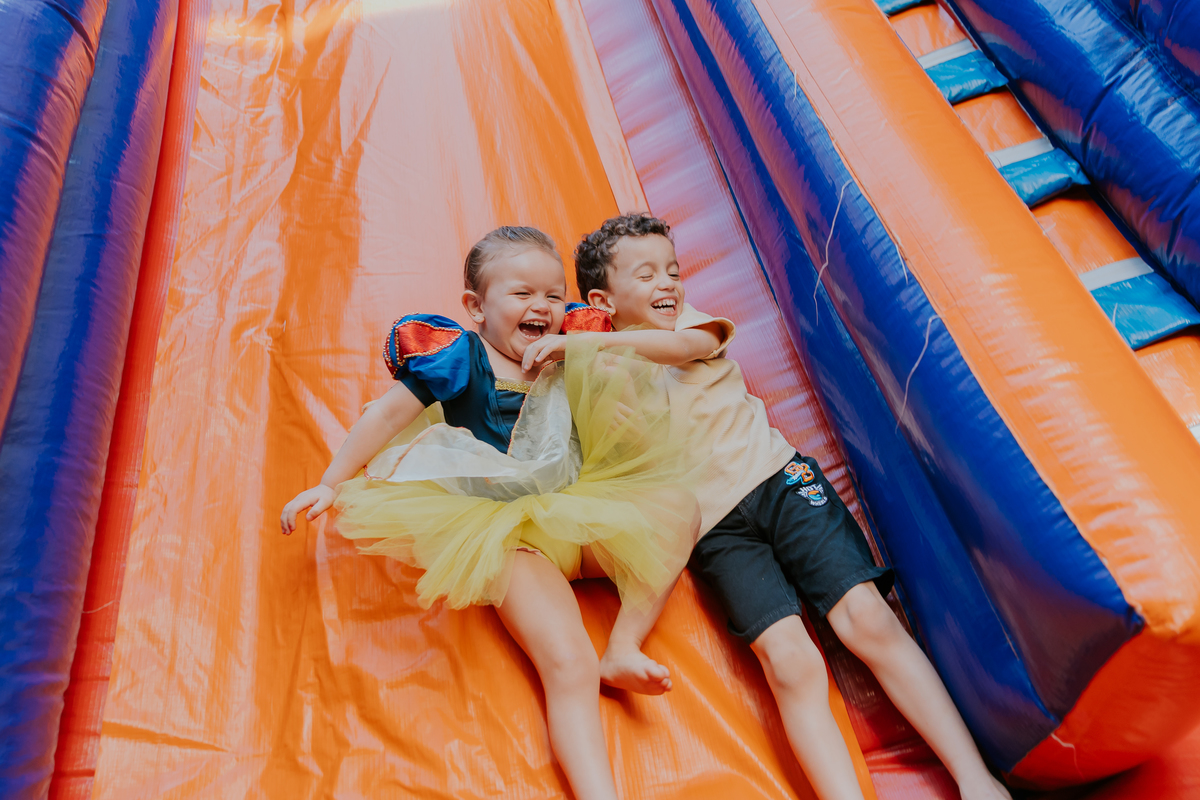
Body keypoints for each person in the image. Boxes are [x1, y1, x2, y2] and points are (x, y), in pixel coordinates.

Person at [523, 214, 1012, 800]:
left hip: (779, 482)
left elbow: (680, 348)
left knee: (869, 621)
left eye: (673, 271)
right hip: (714, 531)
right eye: (647, 274)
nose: (668, 285)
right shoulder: (599, 373)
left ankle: (974, 778)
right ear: (603, 298)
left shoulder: (692, 324)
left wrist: (589, 341)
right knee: (789, 664)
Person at [279, 226, 699, 800]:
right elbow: (384, 418)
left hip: (576, 512)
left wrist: (610, 396)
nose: (543, 308)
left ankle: (624, 646)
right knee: (569, 662)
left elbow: (620, 401)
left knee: (680, 508)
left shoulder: (569, 346)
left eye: (554, 295)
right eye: (522, 294)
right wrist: (330, 484)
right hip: (506, 532)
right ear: (477, 307)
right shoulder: (461, 356)